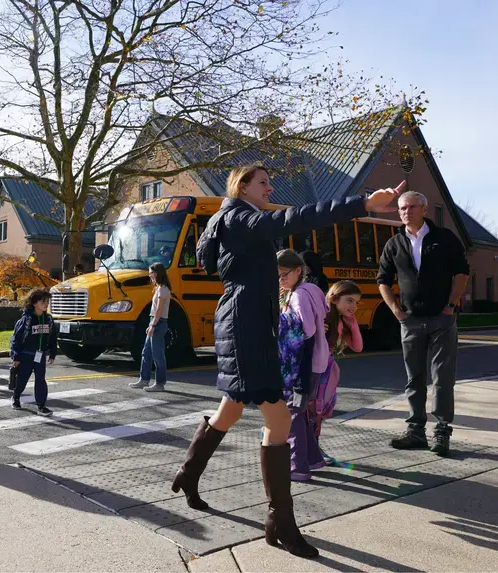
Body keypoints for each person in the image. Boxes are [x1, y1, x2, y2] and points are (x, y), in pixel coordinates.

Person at [171, 162, 402, 559]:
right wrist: (362, 203)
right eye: (263, 182)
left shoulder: (229, 218)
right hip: (246, 327)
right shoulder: (241, 217)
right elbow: (295, 218)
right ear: (242, 186)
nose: (269, 188)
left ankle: (188, 475)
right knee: (278, 419)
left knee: (230, 410)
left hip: (245, 324)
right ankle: (281, 521)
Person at [377, 191, 469, 457]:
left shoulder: (444, 238)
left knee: (442, 377)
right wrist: (397, 311)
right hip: (411, 320)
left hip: (442, 319)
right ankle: (416, 431)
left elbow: (462, 271)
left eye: (411, 207)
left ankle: (442, 431)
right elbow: (383, 280)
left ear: (425, 209)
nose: (406, 212)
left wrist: (451, 305)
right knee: (414, 378)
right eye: (402, 208)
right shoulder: (394, 243)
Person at [276, 249, 328, 482]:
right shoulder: (312, 289)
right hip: (317, 359)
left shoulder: (298, 295)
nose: (281, 280)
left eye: (284, 275)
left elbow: (306, 331)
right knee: (300, 410)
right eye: (277, 276)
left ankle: (298, 466)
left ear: (299, 270)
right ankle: (313, 458)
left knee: (292, 412)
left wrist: (281, 319)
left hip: (301, 362)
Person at [314, 280, 363, 465]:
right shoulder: (323, 317)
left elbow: (357, 347)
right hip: (315, 371)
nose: (354, 306)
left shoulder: (343, 321)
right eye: (349, 300)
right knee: (312, 409)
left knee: (317, 411)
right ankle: (310, 447)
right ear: (334, 299)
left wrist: (353, 322)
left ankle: (313, 447)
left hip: (327, 372)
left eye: (356, 302)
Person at [10, 289, 58, 416]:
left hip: (40, 356)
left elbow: (52, 338)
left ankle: (41, 406)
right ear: (35, 303)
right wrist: (16, 357)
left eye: (47, 302)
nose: (46, 304)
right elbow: (16, 339)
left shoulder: (48, 319)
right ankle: (16, 396)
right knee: (22, 379)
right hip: (26, 355)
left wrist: (52, 353)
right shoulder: (26, 319)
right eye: (43, 302)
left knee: (40, 380)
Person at [129, 262, 172, 392]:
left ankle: (160, 383)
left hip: (158, 322)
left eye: (151, 273)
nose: (150, 275)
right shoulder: (159, 288)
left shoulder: (163, 289)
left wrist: (153, 325)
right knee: (146, 352)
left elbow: (159, 309)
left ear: (158, 273)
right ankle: (144, 379)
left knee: (158, 355)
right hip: (154, 321)